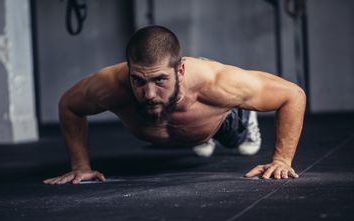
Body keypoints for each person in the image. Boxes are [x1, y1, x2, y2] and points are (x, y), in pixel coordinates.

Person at [43, 25, 306, 185]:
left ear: (180, 70)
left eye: (160, 80)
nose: (148, 93)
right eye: (138, 80)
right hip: (182, 127)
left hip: (219, 119)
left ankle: (243, 120)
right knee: (186, 126)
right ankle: (199, 136)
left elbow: (293, 95)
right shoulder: (110, 85)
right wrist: (80, 166)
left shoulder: (218, 83)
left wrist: (282, 160)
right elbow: (69, 105)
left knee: (242, 142)